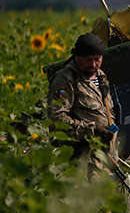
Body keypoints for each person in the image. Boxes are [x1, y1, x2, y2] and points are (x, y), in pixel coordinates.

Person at [47, 33, 117, 173]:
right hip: (81, 159)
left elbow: (108, 111)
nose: (93, 64)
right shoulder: (65, 79)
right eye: (88, 60)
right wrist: (91, 130)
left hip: (105, 157)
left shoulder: (101, 77)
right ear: (76, 56)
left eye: (97, 59)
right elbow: (56, 119)